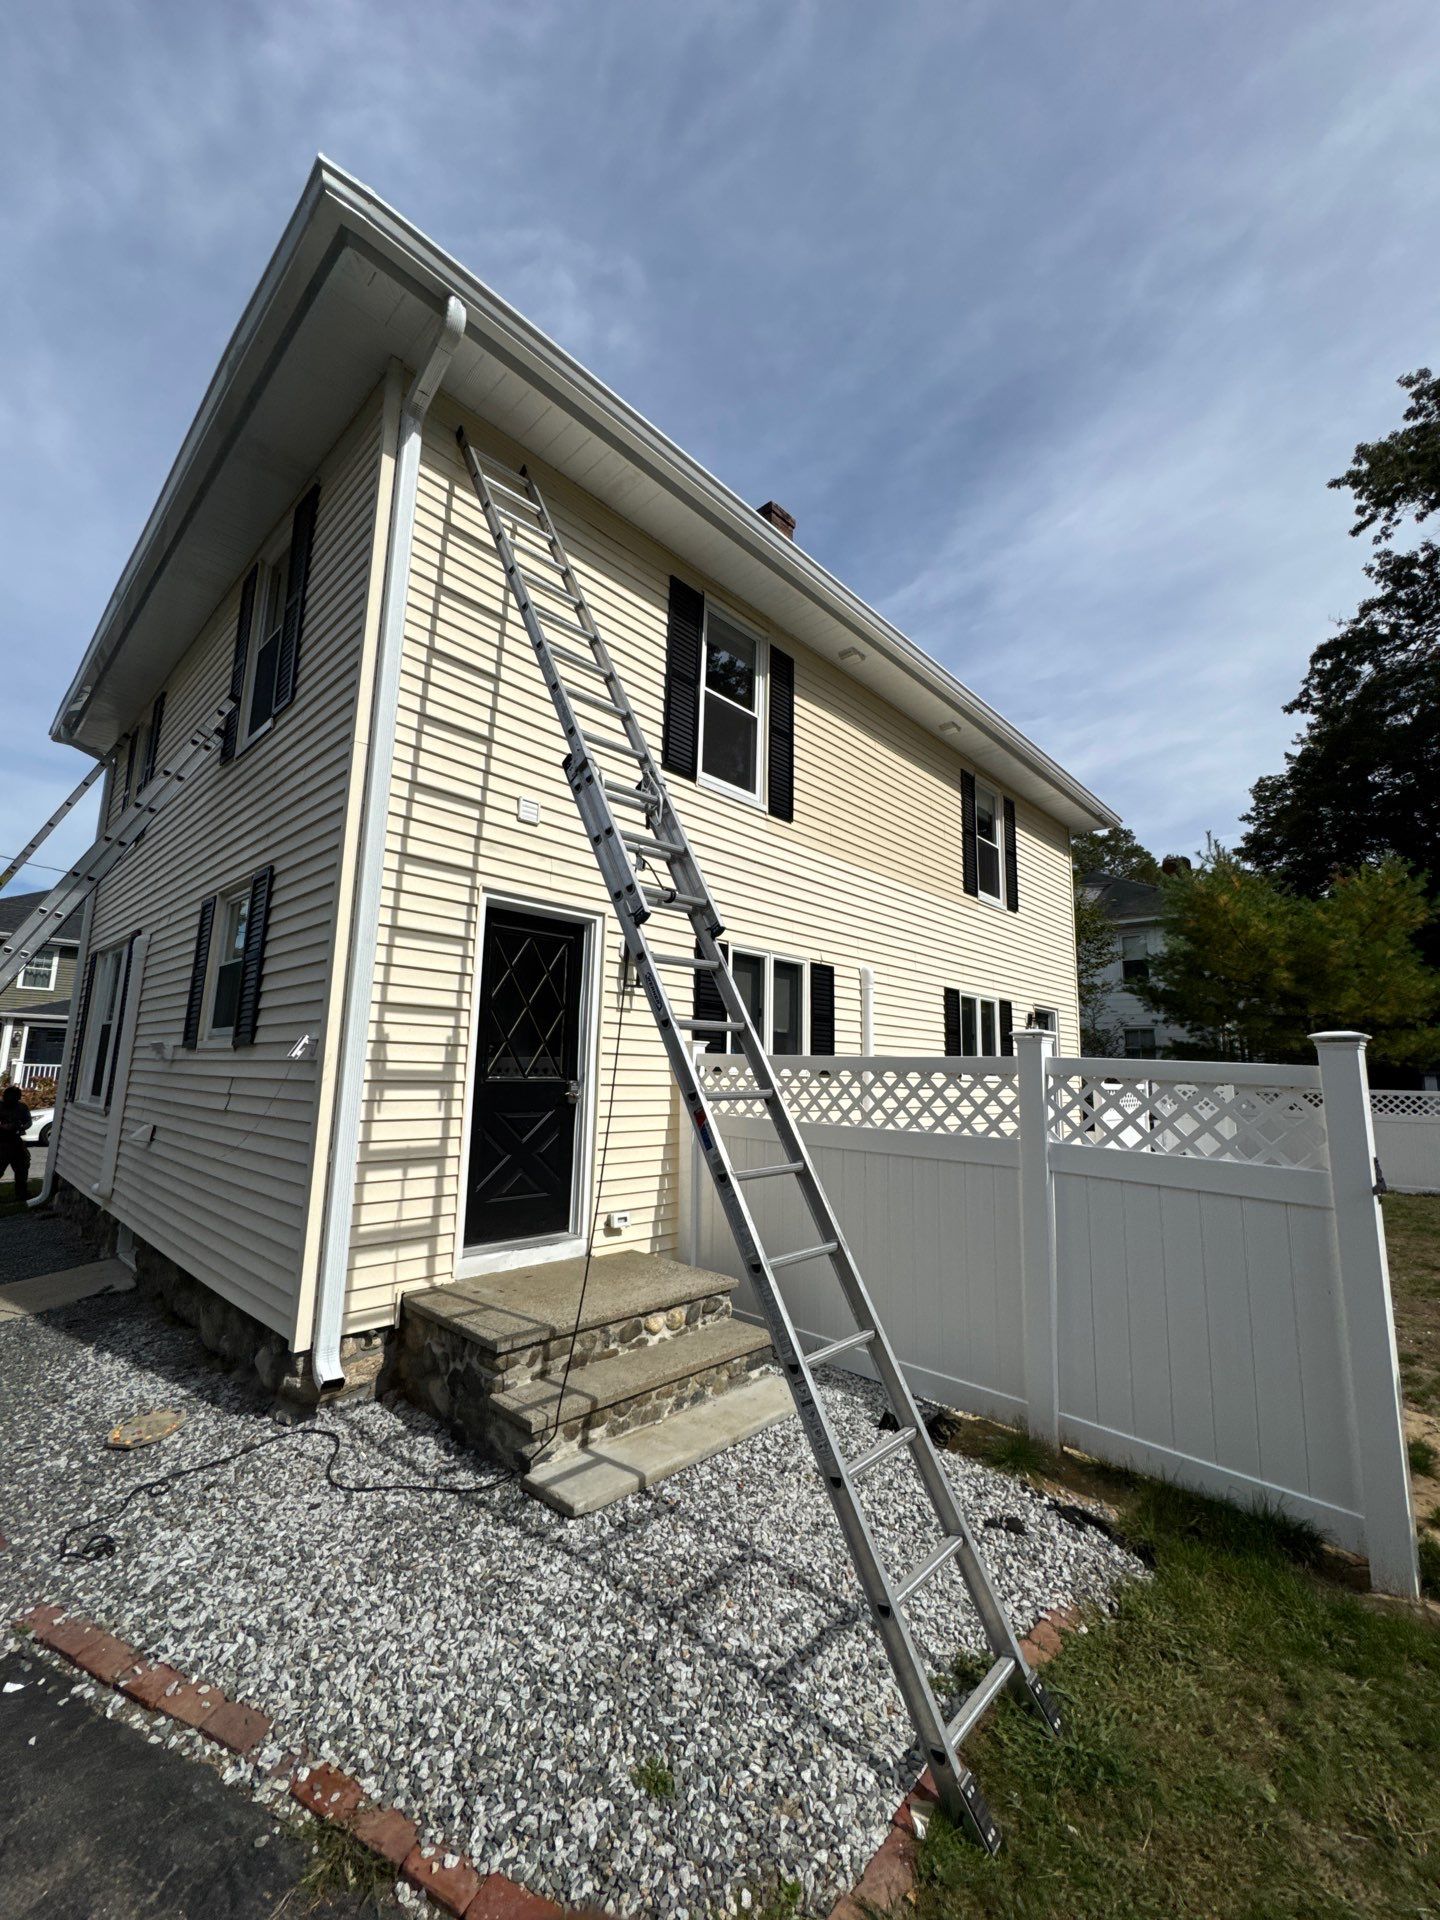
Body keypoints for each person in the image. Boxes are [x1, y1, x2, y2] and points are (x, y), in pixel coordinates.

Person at [0, 1085, 34, 1205]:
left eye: (15, 1097)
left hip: (15, 1141)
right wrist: (3, 1126)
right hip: (1, 1142)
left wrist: (21, 1127)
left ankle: (21, 1193)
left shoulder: (22, 1107)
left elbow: (28, 1122)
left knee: (22, 1167)